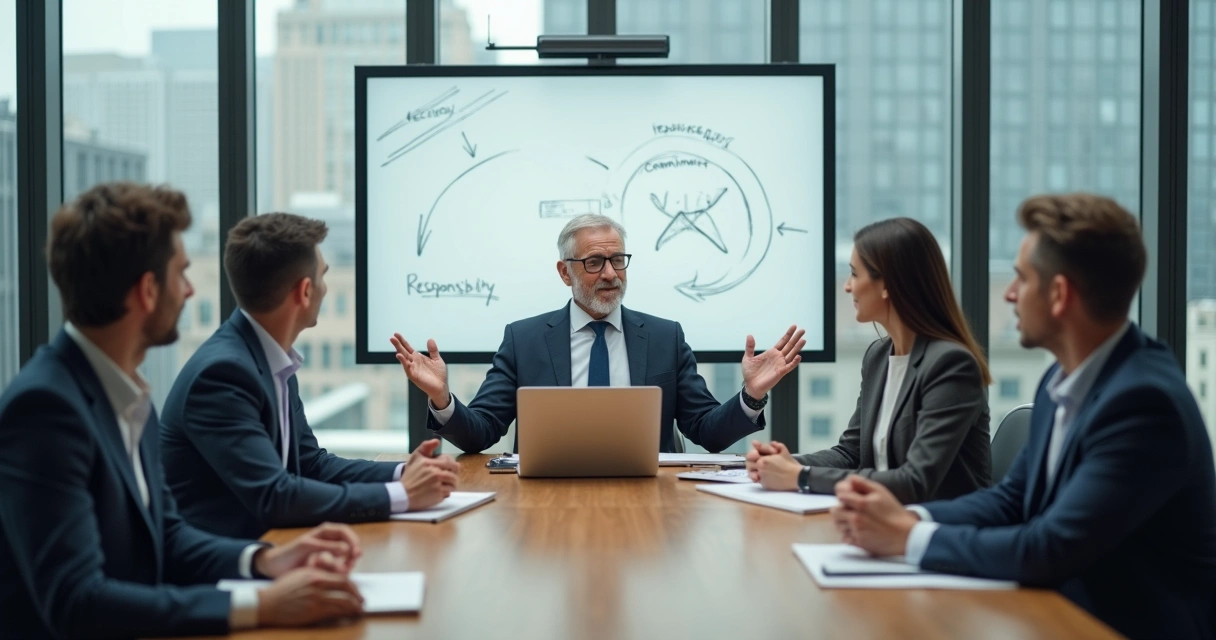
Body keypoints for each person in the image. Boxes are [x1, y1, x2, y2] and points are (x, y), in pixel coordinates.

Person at [831, 194, 1216, 640]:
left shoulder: (1144, 404)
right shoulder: (1064, 378)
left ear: (1059, 295)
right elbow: (1011, 500)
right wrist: (911, 520)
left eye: (1021, 279)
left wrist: (907, 539)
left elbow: (1049, 548)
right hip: (1057, 610)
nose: (1010, 294)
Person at [0, 183, 368, 638]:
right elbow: (78, 601)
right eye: (182, 273)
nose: (192, 290)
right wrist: (261, 604)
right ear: (148, 291)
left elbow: (168, 536)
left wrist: (264, 560)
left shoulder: (125, 393)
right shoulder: (46, 410)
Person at [392, 214, 805, 453]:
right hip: (544, 501)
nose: (610, 273)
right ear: (564, 271)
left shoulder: (665, 337)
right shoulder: (525, 339)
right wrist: (442, 399)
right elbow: (481, 432)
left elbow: (707, 432)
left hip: (651, 498)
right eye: (594, 262)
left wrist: (750, 396)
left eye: (617, 260)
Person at [160, 213, 460, 540]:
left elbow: (310, 464)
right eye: (323, 276)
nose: (326, 287)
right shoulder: (222, 375)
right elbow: (276, 496)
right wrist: (402, 495)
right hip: (227, 570)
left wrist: (405, 473)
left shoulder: (268, 356)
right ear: (305, 291)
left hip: (278, 549)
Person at [744, 218, 992, 503]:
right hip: (880, 523)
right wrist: (788, 463)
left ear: (886, 284)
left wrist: (799, 477)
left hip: (941, 532)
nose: (848, 287)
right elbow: (852, 454)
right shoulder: (878, 357)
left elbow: (914, 481)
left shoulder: (951, 365)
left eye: (854, 274)